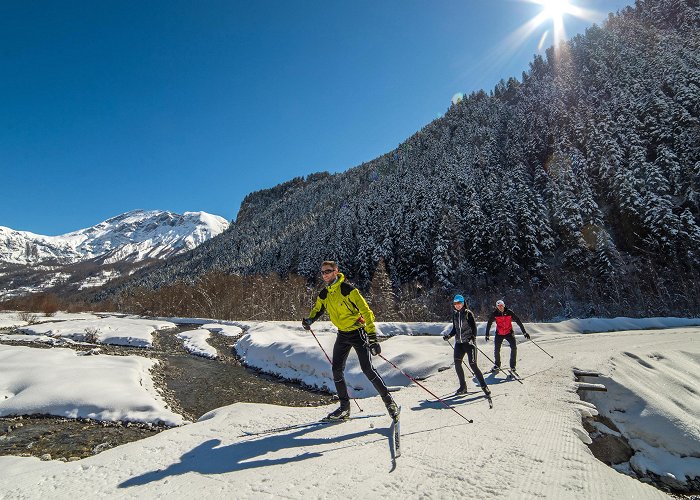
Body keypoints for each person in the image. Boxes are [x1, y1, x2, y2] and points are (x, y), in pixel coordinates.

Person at [302, 260, 399, 421]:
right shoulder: (324, 294)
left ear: (336, 271)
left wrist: (373, 339)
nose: (325, 274)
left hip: (358, 332)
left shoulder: (348, 290)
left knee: (367, 369)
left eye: (328, 271)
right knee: (336, 370)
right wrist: (309, 321)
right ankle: (344, 409)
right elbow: (318, 310)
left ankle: (390, 403)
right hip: (342, 334)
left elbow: (367, 313)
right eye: (323, 272)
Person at [443, 295, 491, 398]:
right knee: (457, 363)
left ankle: (484, 386)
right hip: (459, 343)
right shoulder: (455, 315)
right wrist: (449, 336)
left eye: (459, 303)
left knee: (473, 364)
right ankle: (463, 387)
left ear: (463, 303)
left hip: (469, 343)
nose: (457, 305)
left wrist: (472, 338)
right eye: (455, 304)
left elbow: (474, 328)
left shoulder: (468, 314)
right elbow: (455, 329)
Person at [483, 299, 530, 374]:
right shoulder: (495, 313)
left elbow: (518, 320)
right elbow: (489, 323)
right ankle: (497, 365)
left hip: (509, 333)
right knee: (497, 349)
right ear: (497, 307)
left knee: (514, 347)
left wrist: (524, 332)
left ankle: (512, 366)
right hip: (499, 333)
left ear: (504, 305)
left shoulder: (509, 312)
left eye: (501, 305)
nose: (500, 307)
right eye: (498, 306)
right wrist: (487, 334)